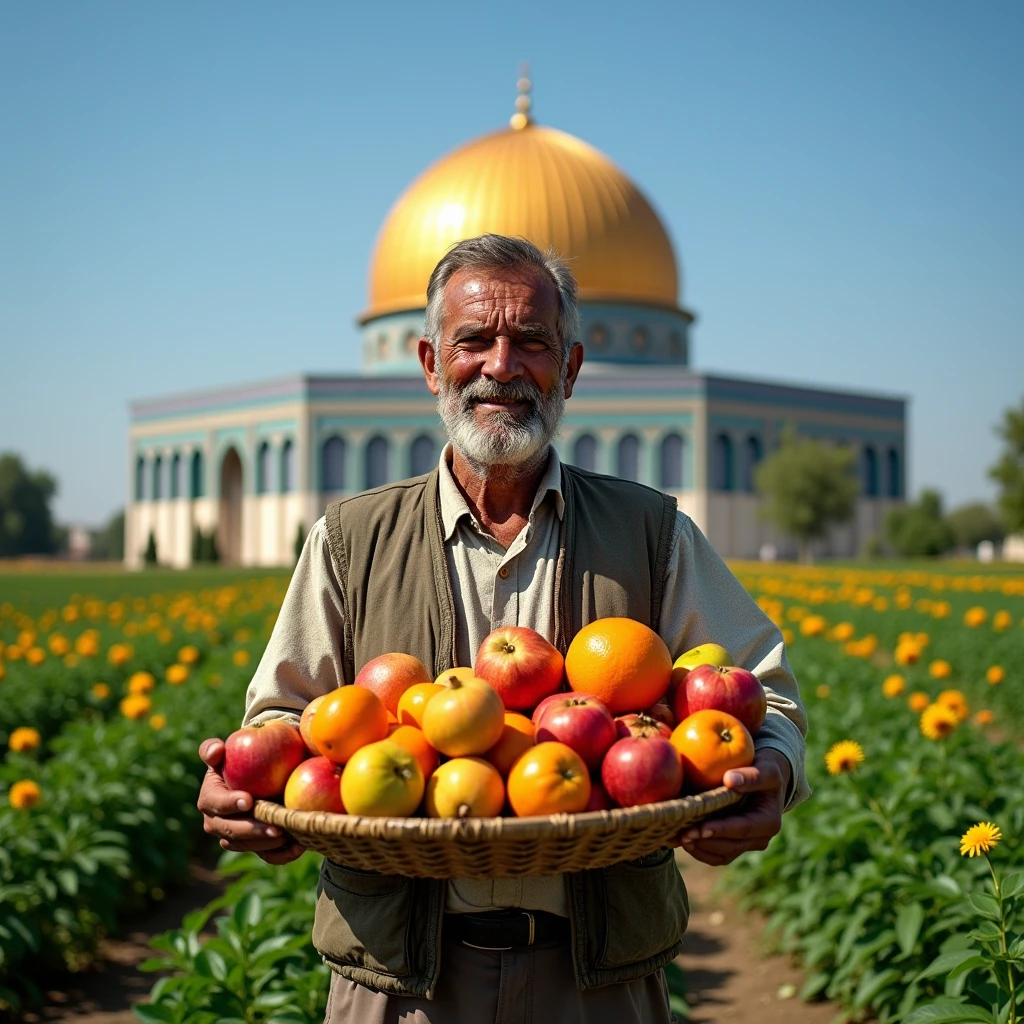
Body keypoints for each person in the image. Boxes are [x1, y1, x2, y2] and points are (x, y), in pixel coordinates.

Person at [197, 233, 809, 1024]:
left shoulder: (651, 534)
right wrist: (248, 780)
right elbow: (283, 716)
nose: (501, 366)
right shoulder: (352, 540)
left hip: (596, 976)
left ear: (573, 368)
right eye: (474, 341)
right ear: (428, 363)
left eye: (531, 343)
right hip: (396, 977)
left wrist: (772, 774)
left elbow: (764, 694)